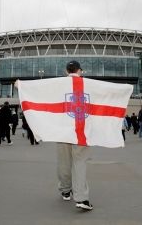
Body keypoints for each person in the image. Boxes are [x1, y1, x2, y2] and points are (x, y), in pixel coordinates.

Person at [57, 60, 93, 211]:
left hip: (62, 130)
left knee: (64, 161)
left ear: (66, 71)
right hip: (81, 130)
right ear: (80, 71)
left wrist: (22, 86)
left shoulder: (58, 84)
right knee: (79, 162)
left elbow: (39, 91)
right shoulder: (89, 85)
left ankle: (66, 191)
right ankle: (82, 199)